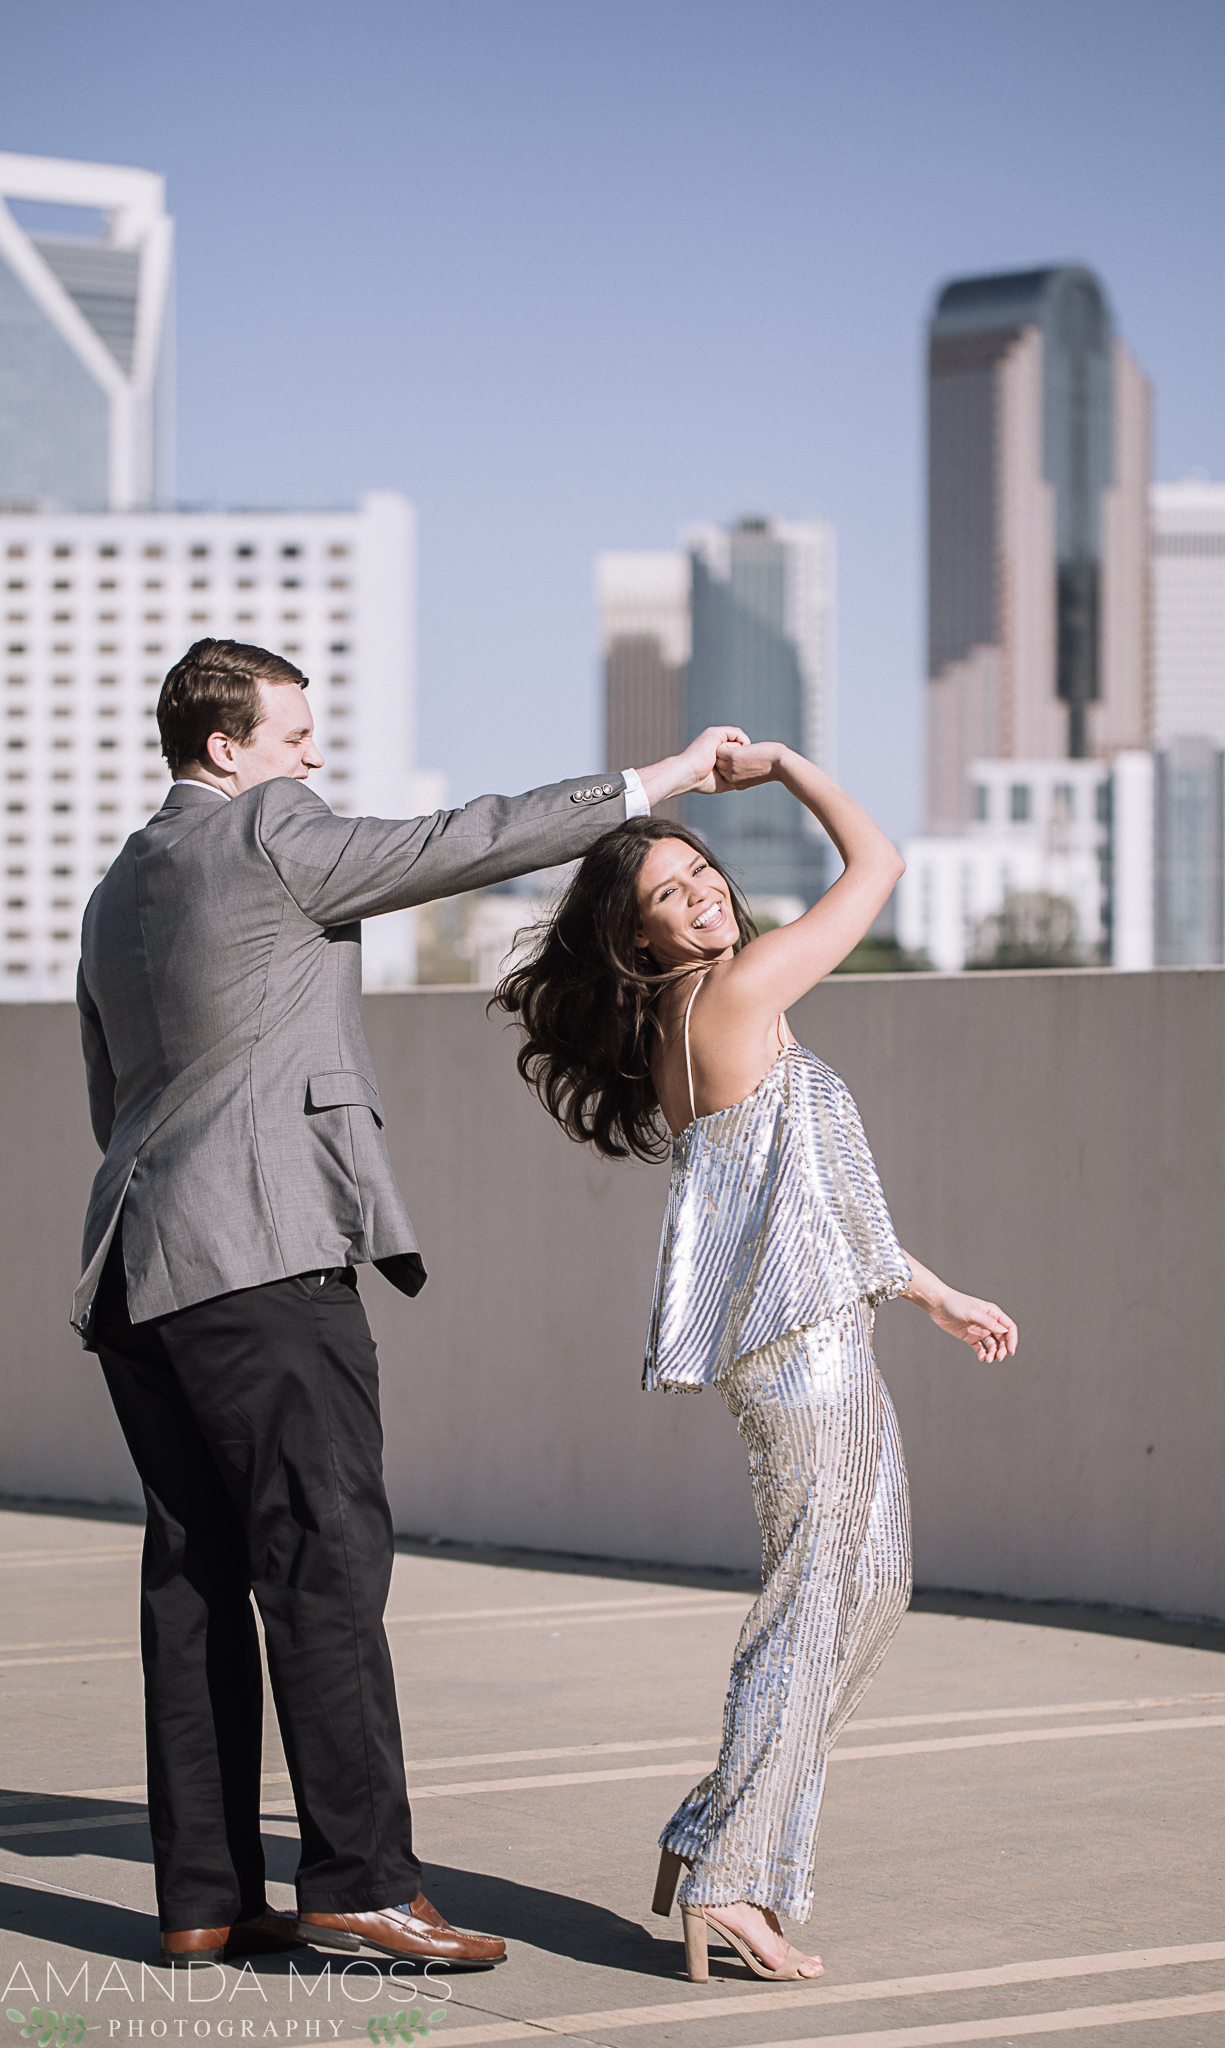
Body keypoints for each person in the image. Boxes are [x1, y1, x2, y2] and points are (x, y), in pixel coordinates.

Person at [74, 635, 749, 1970]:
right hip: (263, 1256)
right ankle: (359, 1887)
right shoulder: (270, 828)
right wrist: (657, 779)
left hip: (140, 1261)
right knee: (324, 1564)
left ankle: (205, 1897)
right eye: (292, 736)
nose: (311, 757)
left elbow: (114, 1090)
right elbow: (462, 840)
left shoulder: (116, 889)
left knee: (196, 1580)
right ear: (228, 751)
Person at [494, 740, 1018, 1984]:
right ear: (641, 940)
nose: (705, 895)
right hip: (807, 1359)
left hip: (819, 1339)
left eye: (703, 873)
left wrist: (930, 1290)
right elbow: (878, 861)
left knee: (866, 1591)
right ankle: (733, 1875)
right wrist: (784, 765)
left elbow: (810, 1191)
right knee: (810, 1604)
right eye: (671, 894)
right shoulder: (728, 999)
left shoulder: (704, 1009)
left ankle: (710, 1823)